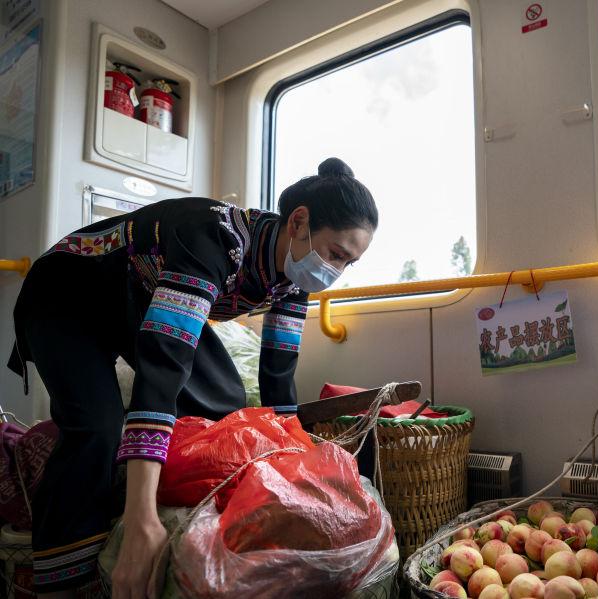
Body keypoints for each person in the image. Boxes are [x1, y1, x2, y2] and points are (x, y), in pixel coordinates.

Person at [6, 157, 377, 598]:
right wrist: (142, 517)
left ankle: (150, 469)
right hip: (67, 294)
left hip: (138, 296)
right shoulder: (216, 238)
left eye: (348, 264)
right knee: (96, 426)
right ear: (299, 222)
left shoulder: (295, 280)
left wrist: (296, 475)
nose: (334, 272)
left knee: (225, 397)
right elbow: (165, 366)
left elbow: (278, 378)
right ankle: (65, 576)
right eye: (336, 254)